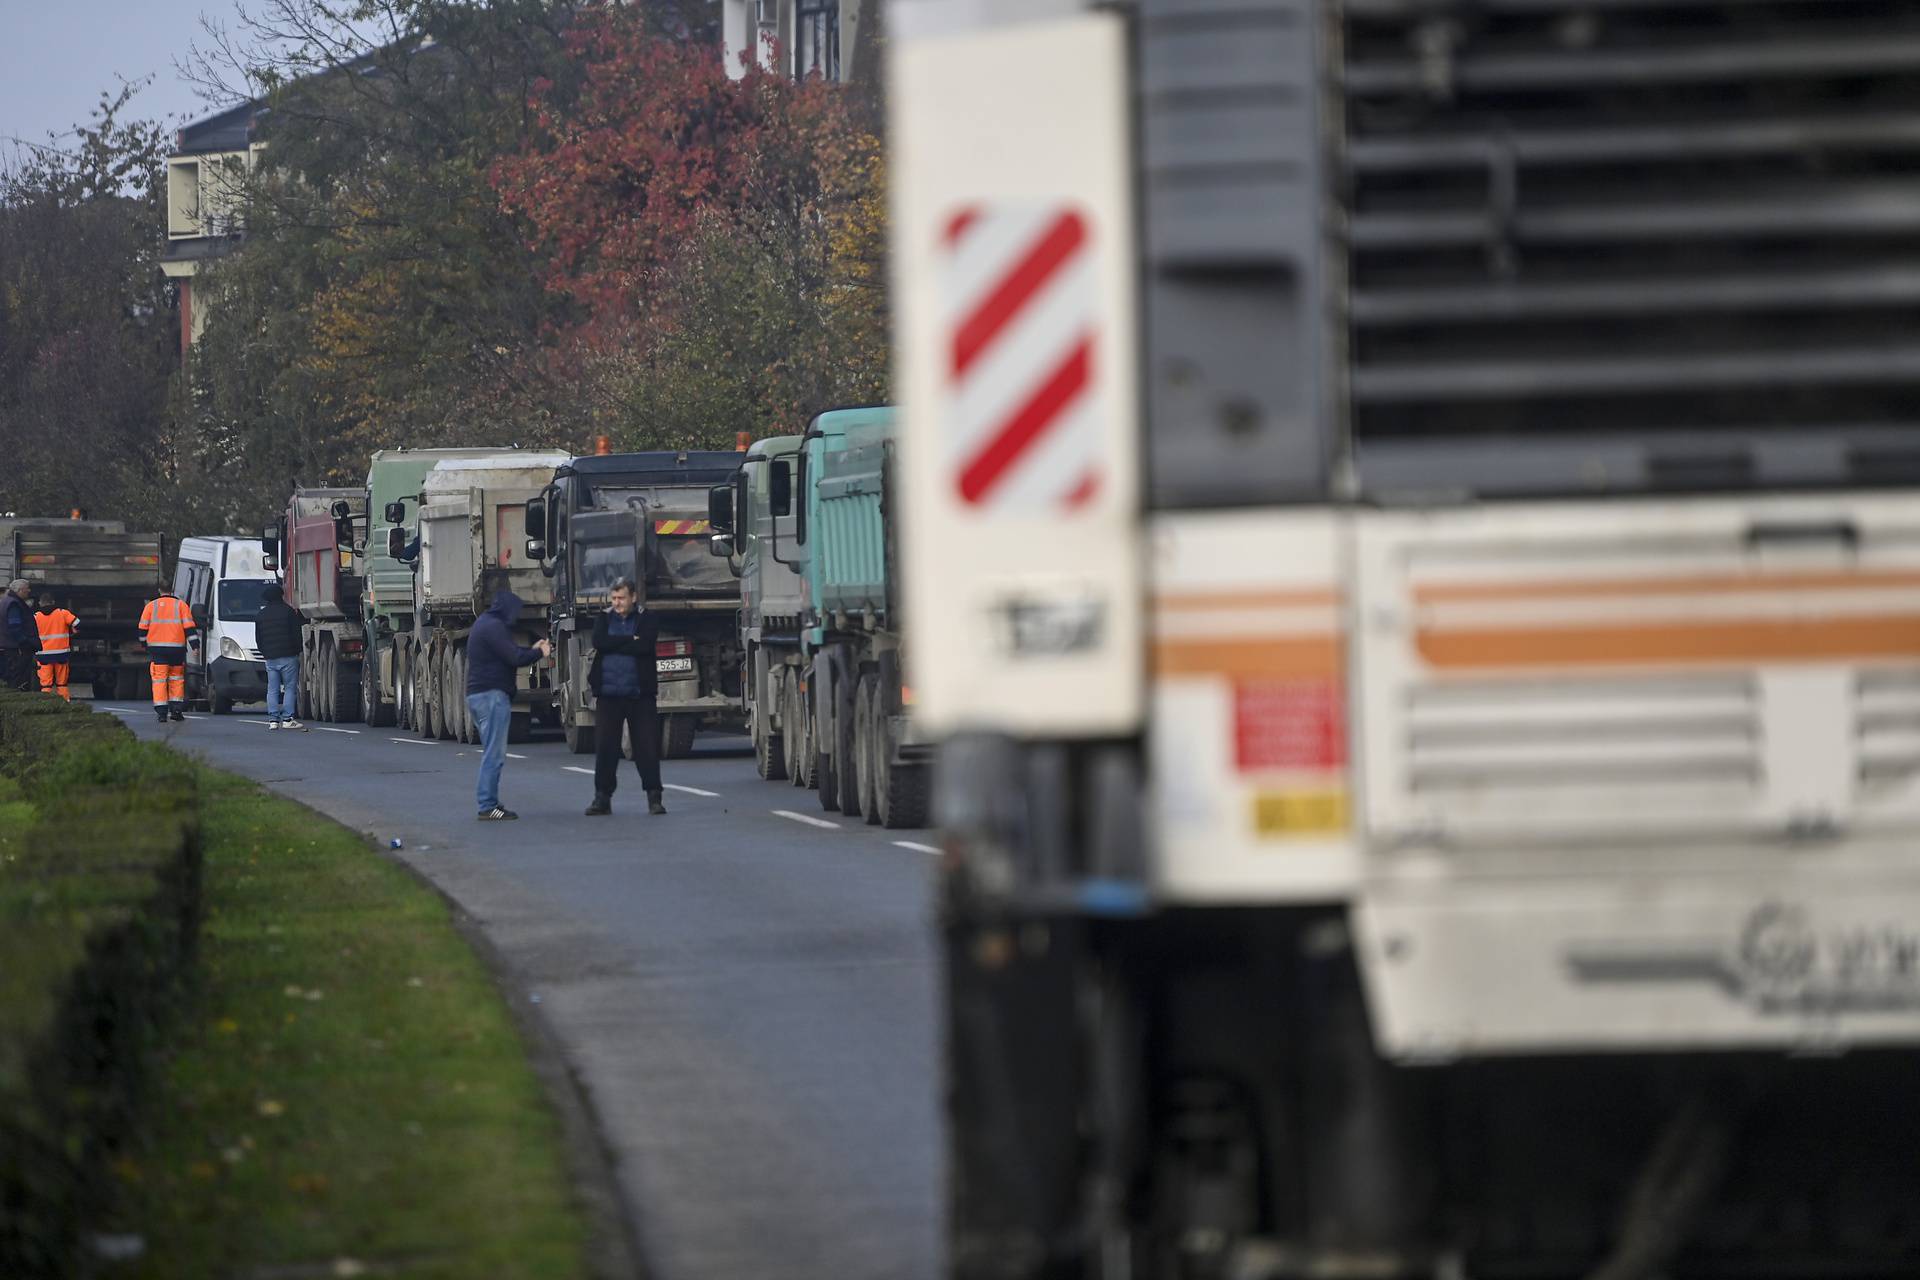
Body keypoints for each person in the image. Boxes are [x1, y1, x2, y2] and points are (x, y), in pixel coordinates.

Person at [465, 590, 551, 820]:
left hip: (480, 695)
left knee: (490, 752)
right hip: (491, 696)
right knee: (493, 754)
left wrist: (531, 650)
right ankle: (487, 806)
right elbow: (514, 657)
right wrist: (539, 653)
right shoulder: (494, 627)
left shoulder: (485, 624)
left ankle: (490, 802)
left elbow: (507, 654)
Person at [586, 576, 666, 817]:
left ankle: (654, 797)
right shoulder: (603, 618)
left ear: (633, 597)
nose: (617, 603)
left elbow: (645, 646)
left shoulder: (646, 619)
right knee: (606, 748)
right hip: (609, 696)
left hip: (639, 695)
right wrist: (629, 640)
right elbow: (599, 641)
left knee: (647, 748)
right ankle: (602, 798)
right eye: (614, 598)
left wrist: (616, 643)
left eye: (622, 598)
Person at [138, 586, 197, 723]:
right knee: (176, 679)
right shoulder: (181, 605)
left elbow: (142, 628)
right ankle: (176, 710)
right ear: (172, 591)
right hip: (177, 650)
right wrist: (195, 646)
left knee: (159, 680)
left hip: (157, 650)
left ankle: (162, 713)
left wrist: (144, 644)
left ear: (159, 591)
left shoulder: (151, 606)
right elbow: (189, 627)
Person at [255, 582, 307, 731]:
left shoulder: (261, 615)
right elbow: (296, 634)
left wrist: (265, 653)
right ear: (280, 595)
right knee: (290, 688)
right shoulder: (288, 612)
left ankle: (273, 720)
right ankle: (288, 719)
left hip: (270, 658)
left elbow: (259, 639)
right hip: (288, 656)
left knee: (272, 689)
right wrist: (297, 650)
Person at [33, 593, 78, 701]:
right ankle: (64, 704)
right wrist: (73, 631)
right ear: (53, 602)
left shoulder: (35, 617)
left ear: (40, 603)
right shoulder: (63, 613)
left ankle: (46, 705)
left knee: (46, 685)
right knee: (62, 683)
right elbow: (77, 623)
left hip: (43, 655)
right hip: (61, 654)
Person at [1, 579, 39, 693]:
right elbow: (15, 627)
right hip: (16, 649)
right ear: (20, 590)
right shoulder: (14, 604)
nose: (29, 590)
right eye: (27, 588)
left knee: (9, 678)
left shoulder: (5, 601)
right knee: (17, 680)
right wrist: (25, 643)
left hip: (8, 647)